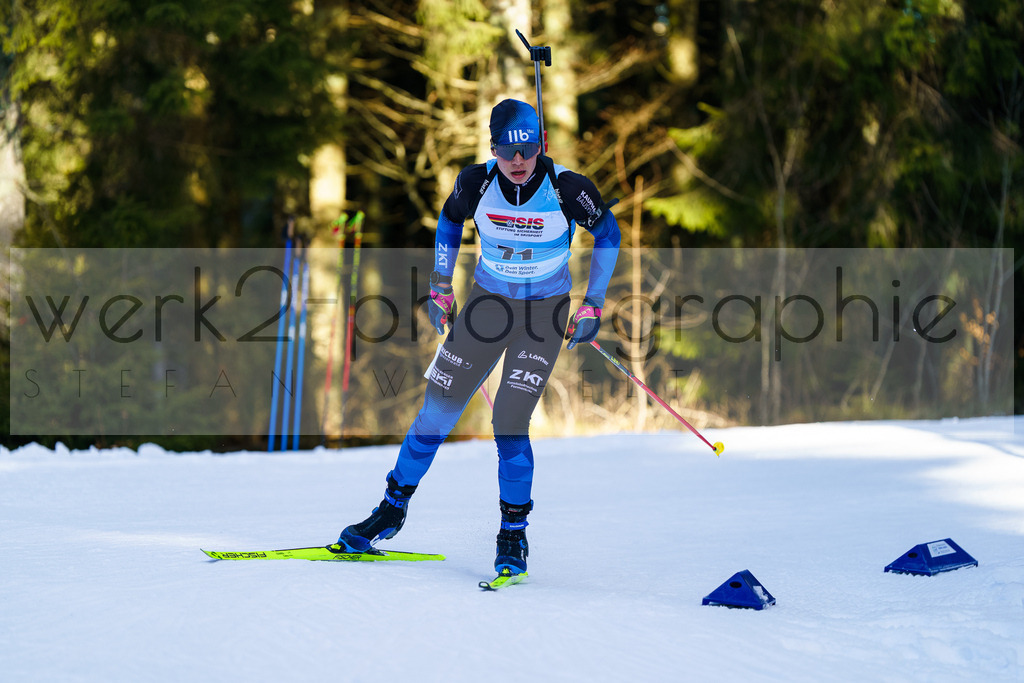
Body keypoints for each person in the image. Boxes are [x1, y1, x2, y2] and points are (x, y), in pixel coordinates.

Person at [335, 99, 621, 575]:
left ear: (539, 145)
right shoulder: (475, 181)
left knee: (509, 422)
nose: (518, 161)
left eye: (527, 150)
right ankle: (391, 508)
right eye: (508, 151)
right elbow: (449, 222)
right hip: (487, 307)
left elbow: (607, 233)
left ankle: (513, 535)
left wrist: (593, 303)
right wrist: (441, 284)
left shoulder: (567, 187)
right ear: (493, 148)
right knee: (436, 410)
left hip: (543, 313)